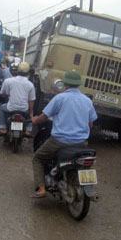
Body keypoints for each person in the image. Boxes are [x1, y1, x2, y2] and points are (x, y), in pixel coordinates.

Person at [30, 70, 97, 198]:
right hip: (81, 143)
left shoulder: (60, 98)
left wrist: (34, 120)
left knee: (37, 159)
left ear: (65, 84)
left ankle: (42, 188)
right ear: (78, 84)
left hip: (59, 141)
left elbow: (44, 116)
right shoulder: (87, 101)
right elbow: (91, 124)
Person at [0, 62, 35, 135]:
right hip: (24, 109)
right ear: (28, 72)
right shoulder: (30, 85)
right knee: (30, 115)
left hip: (11, 108)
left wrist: (5, 95)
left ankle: (3, 128)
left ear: (17, 71)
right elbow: (31, 100)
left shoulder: (8, 81)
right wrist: (31, 113)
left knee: (1, 108)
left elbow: (2, 93)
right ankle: (28, 129)